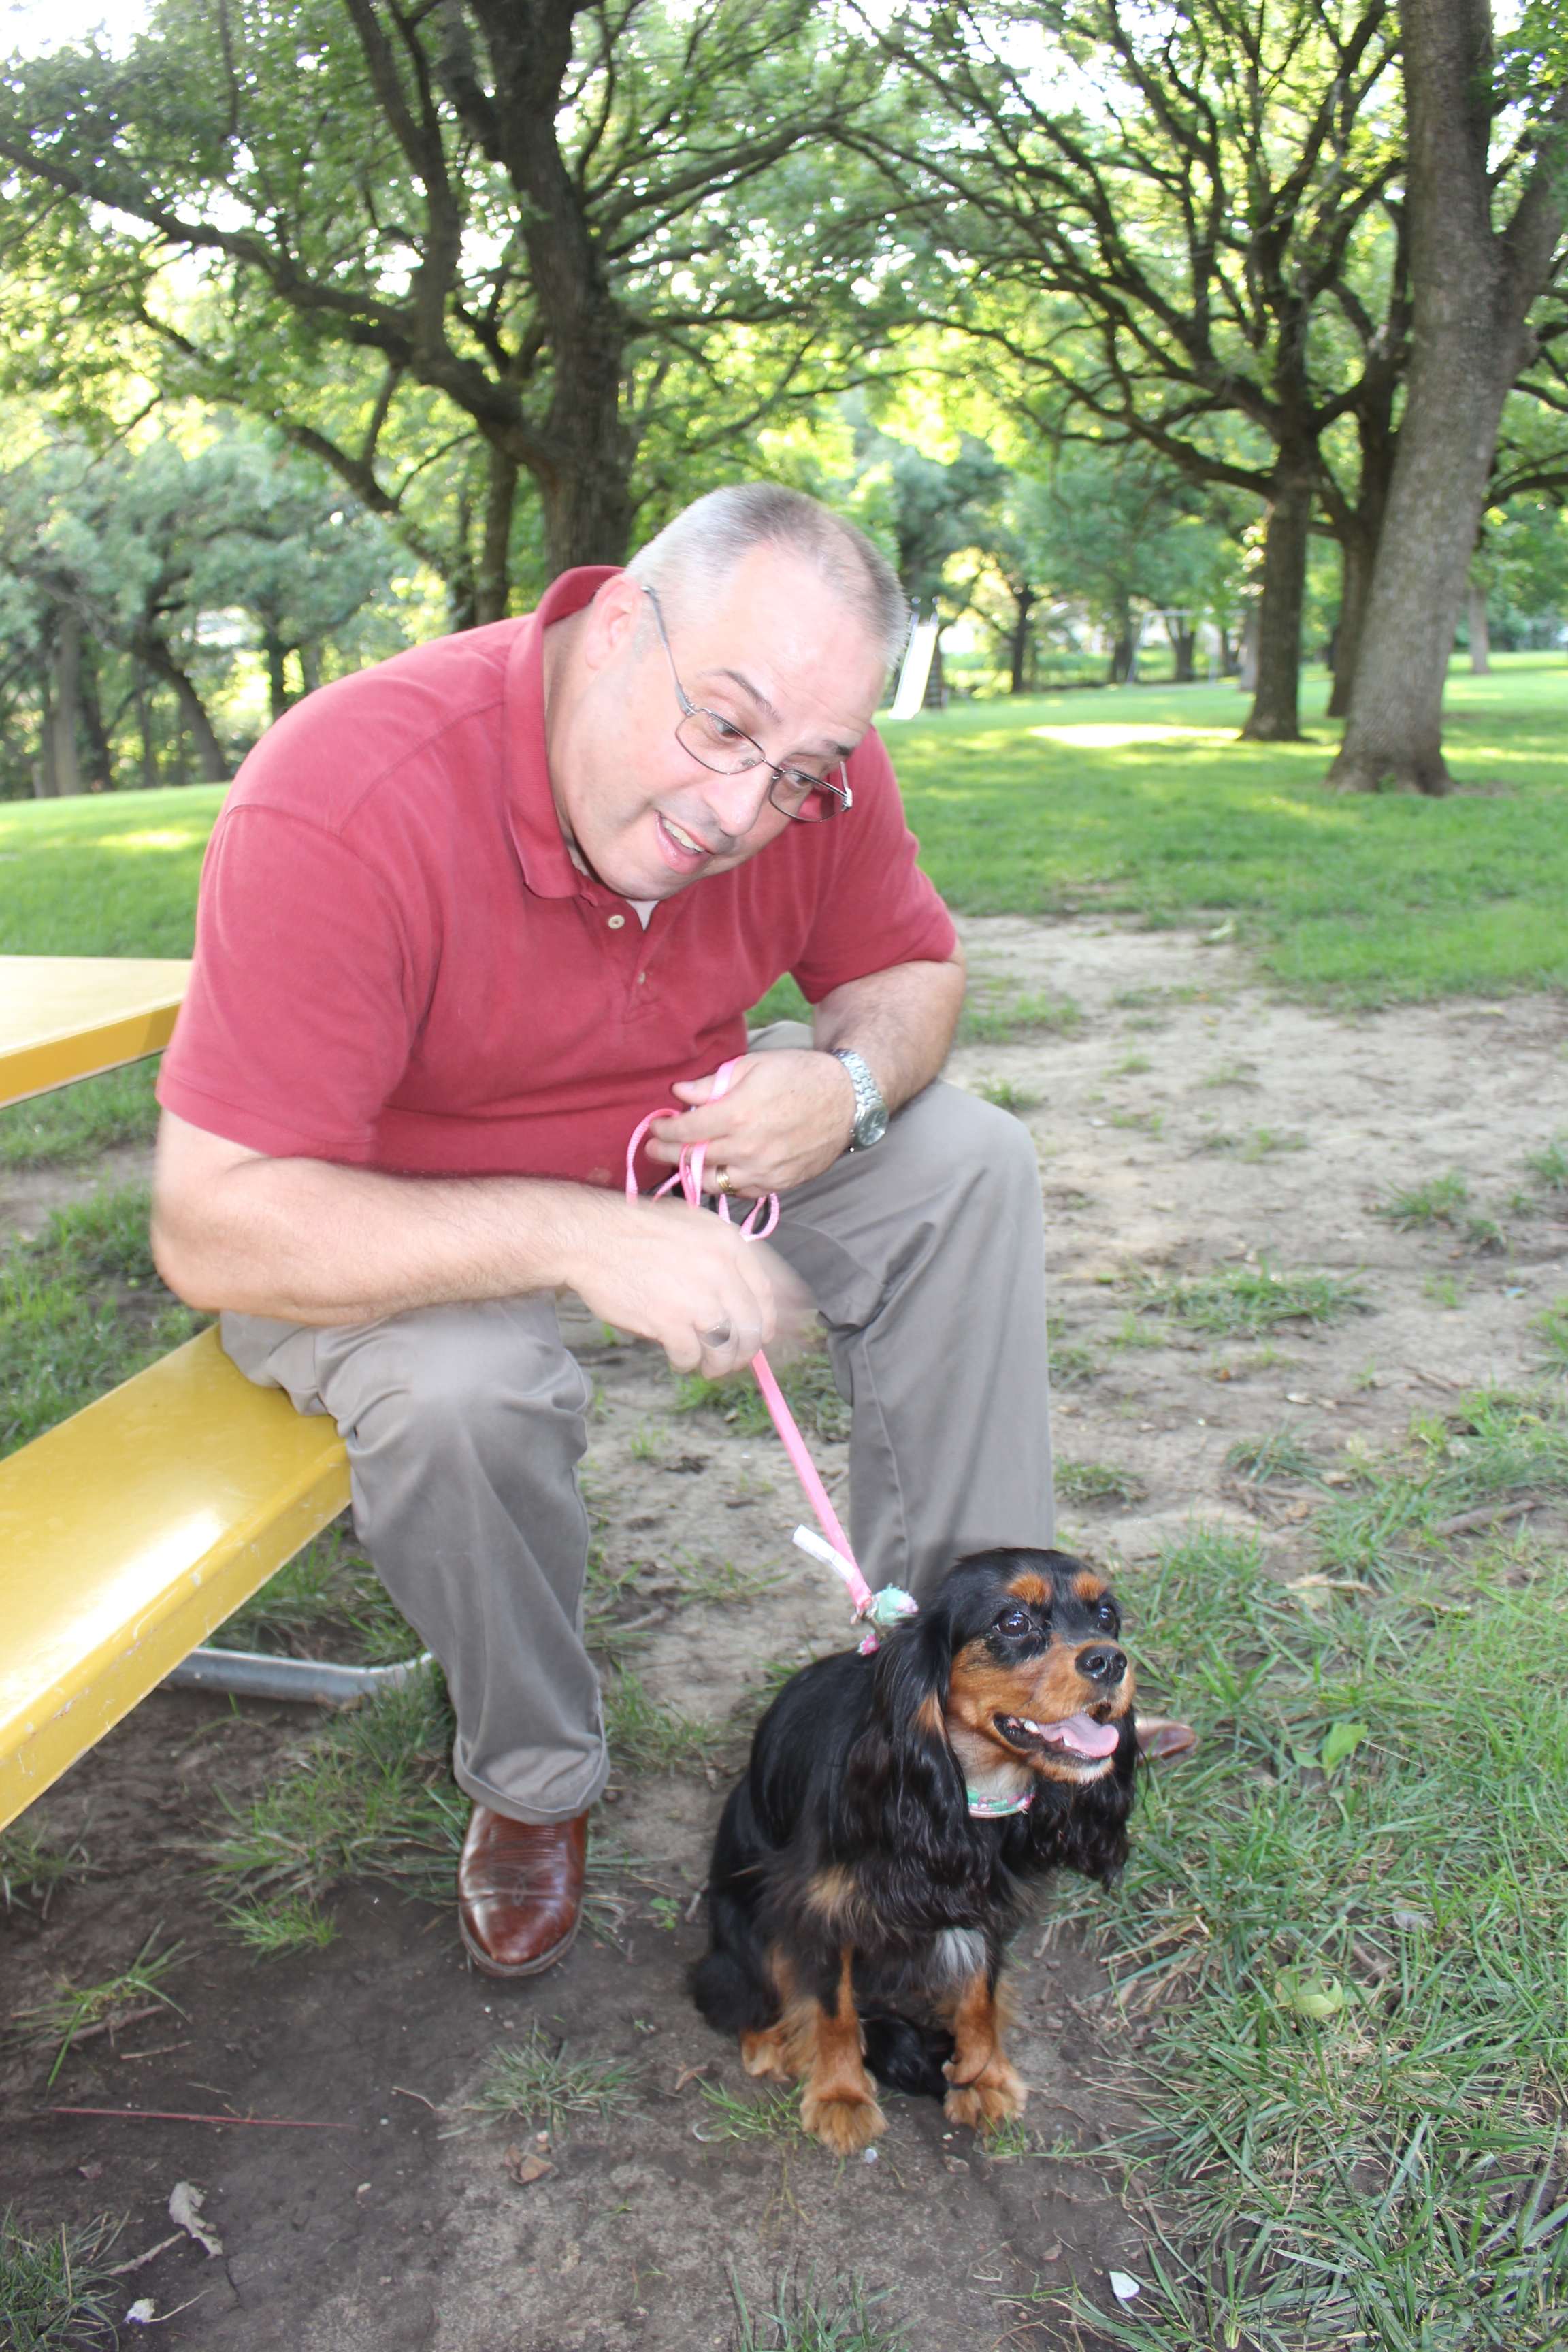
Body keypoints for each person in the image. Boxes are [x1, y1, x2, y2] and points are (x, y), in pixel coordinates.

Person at [150, 485, 1056, 1980]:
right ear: (620, 626)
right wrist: (579, 1236)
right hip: (382, 1214)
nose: (738, 812)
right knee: (461, 1396)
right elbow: (214, 1223)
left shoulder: (812, 768)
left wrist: (845, 1084)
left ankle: (967, 1700)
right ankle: (533, 1775)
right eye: (721, 729)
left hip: (674, 1150)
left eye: (802, 772)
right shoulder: (349, 790)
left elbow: (912, 970)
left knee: (966, 1160)